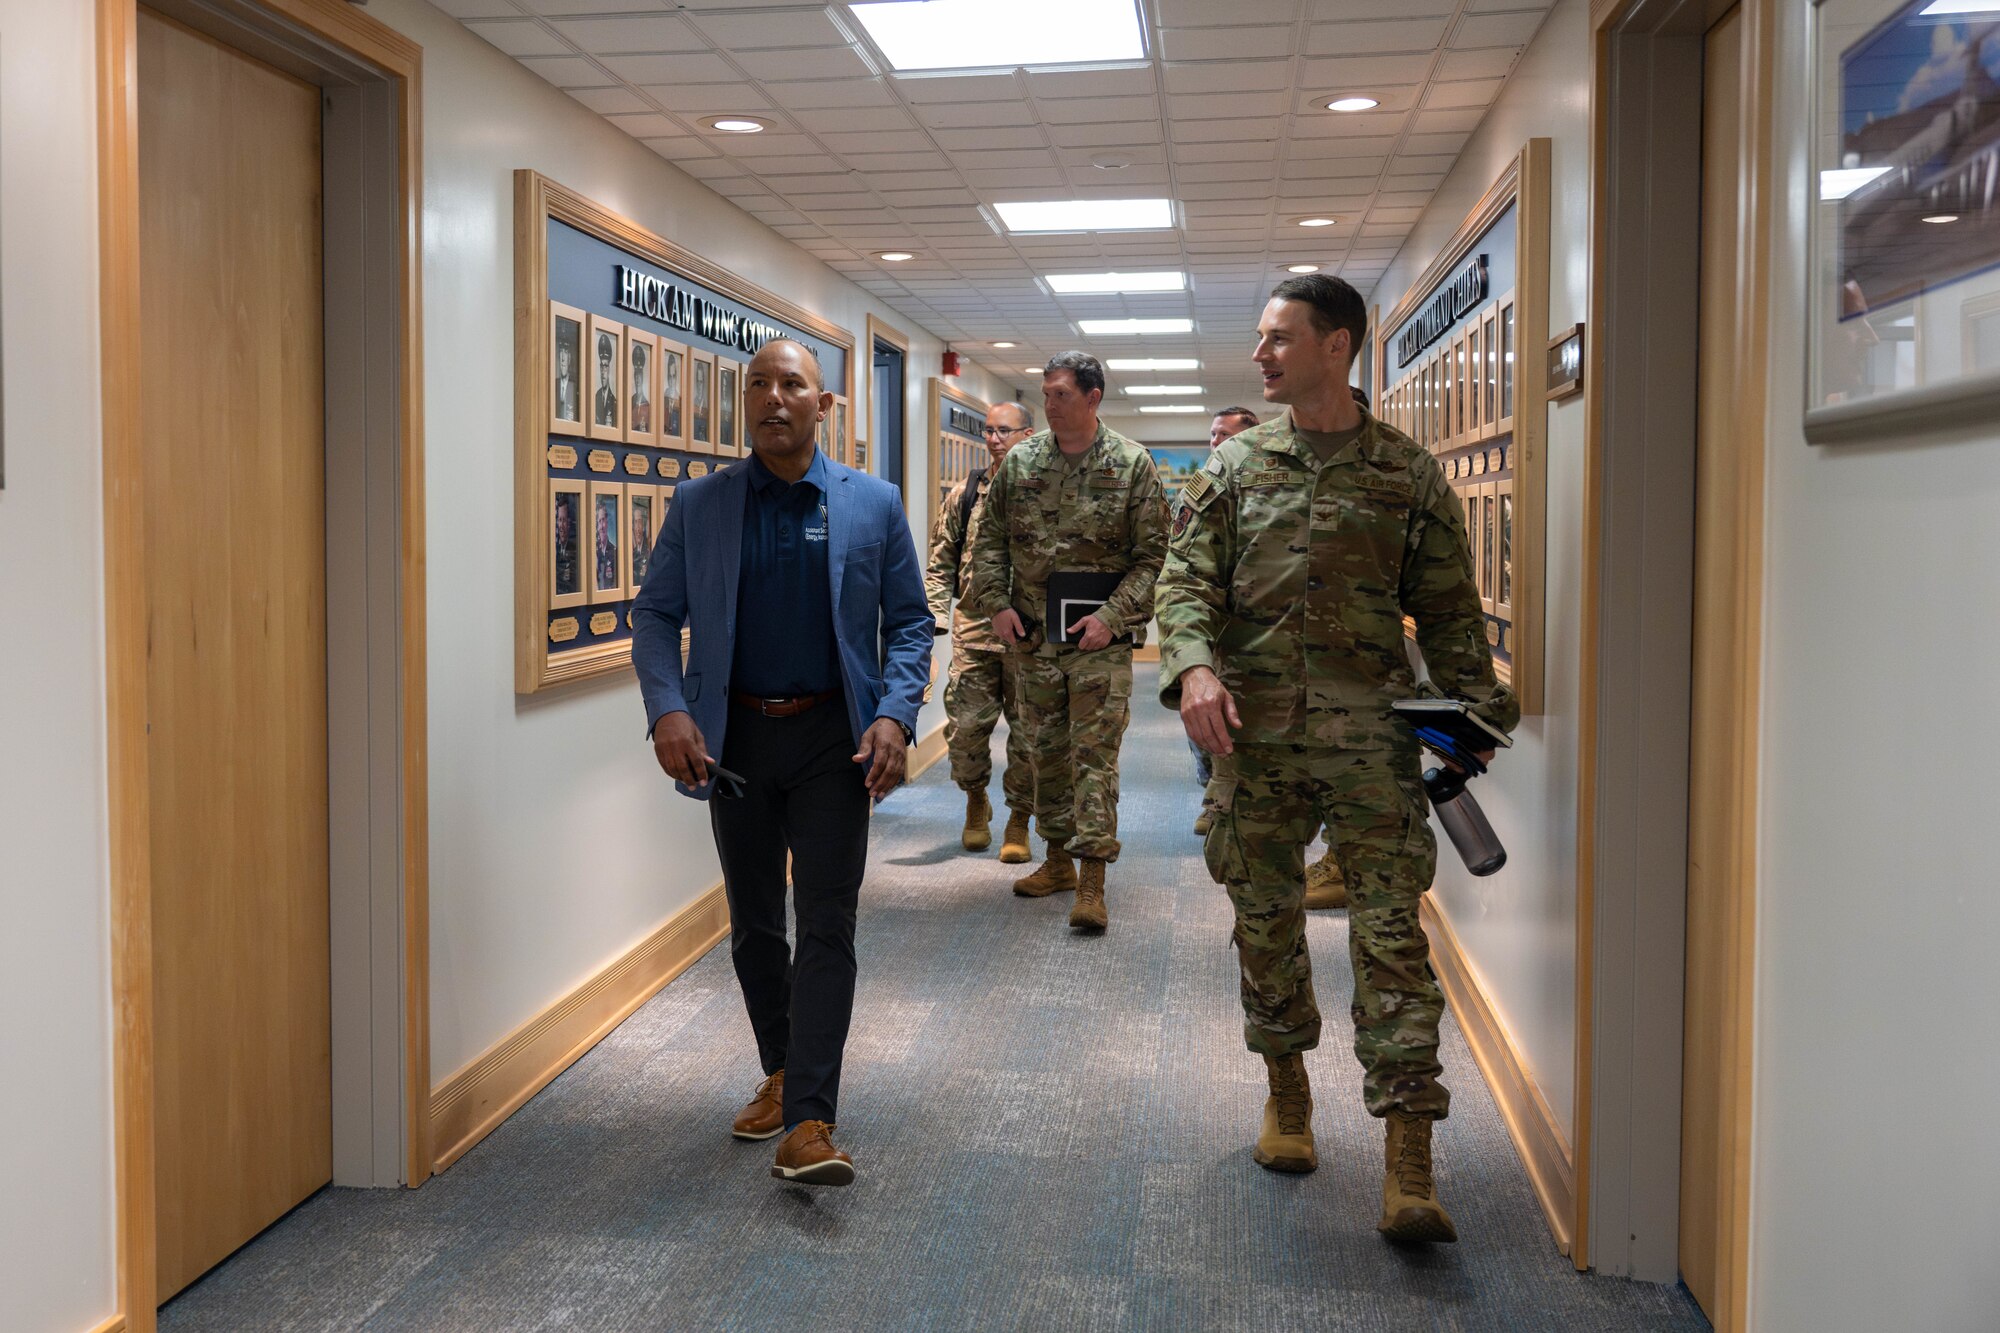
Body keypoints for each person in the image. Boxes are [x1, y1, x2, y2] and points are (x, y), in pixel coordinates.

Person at [1155, 274, 1517, 1242]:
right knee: (1265, 924)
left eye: (1279, 337)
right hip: (1255, 742)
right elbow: (1183, 586)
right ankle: (1286, 1093)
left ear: (1336, 345)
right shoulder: (1234, 469)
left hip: (1371, 747)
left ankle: (1409, 1154)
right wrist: (1193, 667)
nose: (1260, 355)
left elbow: (1450, 616)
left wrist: (1473, 723)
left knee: (1391, 939)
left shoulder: (1406, 475)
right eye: (1260, 337)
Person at [632, 338, 931, 1188]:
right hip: (735, 742)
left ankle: (808, 1119)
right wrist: (668, 709)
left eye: (790, 384)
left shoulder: (872, 503)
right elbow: (654, 615)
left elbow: (911, 623)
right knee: (756, 921)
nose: (772, 398)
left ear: (822, 404)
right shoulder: (702, 504)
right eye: (757, 384)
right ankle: (781, 1066)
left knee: (827, 919)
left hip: (835, 738)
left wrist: (895, 715)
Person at [965, 351, 1166, 933]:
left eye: (1061, 395)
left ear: (1093, 397)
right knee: (1043, 753)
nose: (1049, 405)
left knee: (1094, 756)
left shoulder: (1131, 463)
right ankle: (1056, 862)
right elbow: (989, 542)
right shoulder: (1022, 461)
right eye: (1046, 394)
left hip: (1099, 642)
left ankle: (1093, 879)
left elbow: (1154, 557)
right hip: (1032, 639)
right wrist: (996, 605)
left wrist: (1113, 616)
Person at [925, 400, 1039, 861]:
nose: (993, 439)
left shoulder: (1045, 491)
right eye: (988, 430)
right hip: (974, 632)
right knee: (966, 731)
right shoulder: (965, 493)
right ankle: (975, 799)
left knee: (1029, 737)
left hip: (1030, 638)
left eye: (1003, 431)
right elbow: (940, 564)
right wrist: (932, 622)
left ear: (1028, 436)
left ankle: (1019, 820)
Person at [1190, 406, 1260, 839]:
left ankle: (1228, 800)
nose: (1216, 443)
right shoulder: (1205, 485)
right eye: (1213, 435)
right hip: (1211, 623)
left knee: (1240, 720)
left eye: (1225, 436)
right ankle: (1212, 795)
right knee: (1202, 717)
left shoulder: (1269, 486)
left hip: (1254, 630)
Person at [594, 333, 619, 428]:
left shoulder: (614, 401)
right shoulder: (595, 397)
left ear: (609, 368)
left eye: (605, 366)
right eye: (601, 366)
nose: (603, 371)